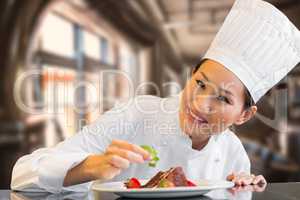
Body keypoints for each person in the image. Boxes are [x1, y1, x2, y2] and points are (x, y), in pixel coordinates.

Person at [11, 0, 299, 193]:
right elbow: (22, 176)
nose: (200, 104)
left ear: (245, 114)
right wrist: (90, 166)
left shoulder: (234, 154)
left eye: (223, 99)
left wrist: (235, 192)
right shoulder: (137, 113)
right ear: (190, 76)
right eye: (200, 84)